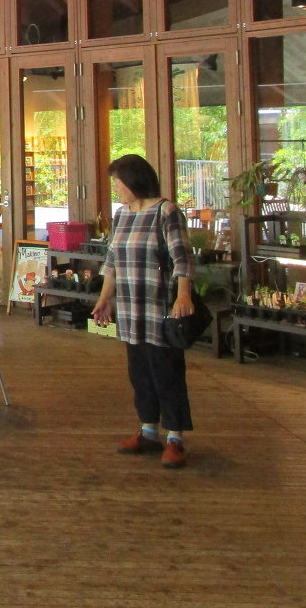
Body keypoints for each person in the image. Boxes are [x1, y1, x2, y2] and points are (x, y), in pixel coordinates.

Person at [90, 153, 196, 470]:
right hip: (130, 309)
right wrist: (105, 299)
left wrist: (183, 295)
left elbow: (182, 257)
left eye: (118, 183)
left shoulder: (166, 211)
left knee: (167, 373)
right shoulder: (122, 215)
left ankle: (175, 437)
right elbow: (112, 261)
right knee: (139, 373)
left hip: (160, 308)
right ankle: (148, 430)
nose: (116, 189)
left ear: (134, 181)